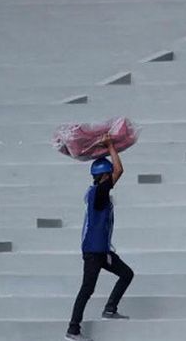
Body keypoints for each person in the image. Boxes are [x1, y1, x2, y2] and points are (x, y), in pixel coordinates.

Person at [66, 134, 134, 341]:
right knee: (87, 288)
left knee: (126, 274)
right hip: (94, 252)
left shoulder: (96, 192)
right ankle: (73, 329)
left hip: (101, 251)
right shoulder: (101, 191)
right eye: (108, 175)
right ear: (104, 176)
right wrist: (111, 146)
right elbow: (119, 170)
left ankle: (110, 308)